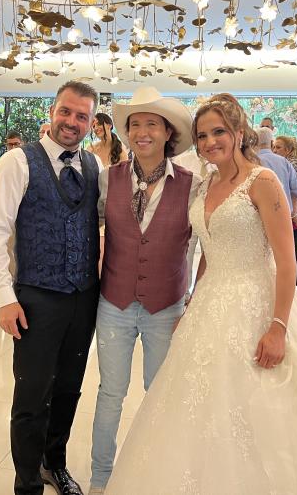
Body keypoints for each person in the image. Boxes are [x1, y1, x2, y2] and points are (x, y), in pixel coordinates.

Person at [105, 94, 297, 495]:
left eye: (218, 132)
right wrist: (192, 301)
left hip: (256, 301)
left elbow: (286, 261)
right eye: (202, 135)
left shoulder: (261, 181)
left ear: (239, 133)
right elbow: (210, 248)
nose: (210, 142)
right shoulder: (207, 183)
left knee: (263, 407)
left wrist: (278, 326)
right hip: (211, 301)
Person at [0, 81, 101, 495]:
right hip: (36, 295)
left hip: (84, 296)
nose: (72, 121)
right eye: (65, 111)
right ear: (51, 112)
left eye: (81, 116)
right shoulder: (17, 161)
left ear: (91, 123)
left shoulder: (94, 166)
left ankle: (55, 464)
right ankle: (27, 482)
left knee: (68, 388)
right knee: (32, 394)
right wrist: (4, 297)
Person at [89, 87, 198, 493]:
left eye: (152, 124)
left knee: (160, 394)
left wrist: (195, 298)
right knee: (110, 393)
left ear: (168, 132)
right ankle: (101, 479)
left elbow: (205, 243)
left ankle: (157, 477)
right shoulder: (108, 179)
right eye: (135, 125)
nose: (142, 132)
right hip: (114, 302)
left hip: (166, 306)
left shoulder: (193, 185)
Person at [272, 135, 297, 296]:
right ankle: (296, 286)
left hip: (295, 212)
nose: (275, 150)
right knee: (293, 250)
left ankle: (296, 287)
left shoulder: (291, 163)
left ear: (288, 150)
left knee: (291, 251)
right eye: (274, 147)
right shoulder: (296, 162)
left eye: (278, 147)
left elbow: (295, 191)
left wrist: (292, 214)